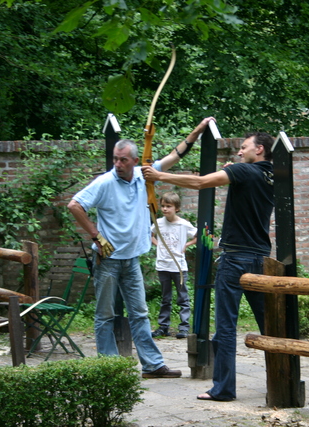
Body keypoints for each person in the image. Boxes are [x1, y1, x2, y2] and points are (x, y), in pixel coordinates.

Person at [67, 117, 215, 379]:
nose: (118, 164)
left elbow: (174, 157)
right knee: (105, 315)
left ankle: (152, 365)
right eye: (115, 159)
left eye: (123, 160)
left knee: (139, 313)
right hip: (108, 259)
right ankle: (108, 367)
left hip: (131, 259)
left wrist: (198, 130)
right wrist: (95, 235)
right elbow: (75, 205)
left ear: (135, 161)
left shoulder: (143, 177)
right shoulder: (104, 182)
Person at [142, 129, 274, 401]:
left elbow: (201, 182)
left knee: (225, 327)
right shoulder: (272, 176)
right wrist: (234, 172)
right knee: (270, 324)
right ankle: (282, 380)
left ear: (259, 149)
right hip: (261, 259)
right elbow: (244, 185)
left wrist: (159, 176)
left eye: (244, 146)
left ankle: (224, 389)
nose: (239, 151)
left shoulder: (243, 171)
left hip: (236, 259)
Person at [151, 191, 197, 339]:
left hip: (179, 267)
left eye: (168, 206)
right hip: (163, 266)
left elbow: (198, 236)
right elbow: (150, 234)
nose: (165, 209)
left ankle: (184, 327)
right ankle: (163, 326)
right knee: (165, 298)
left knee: (183, 298)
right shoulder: (158, 223)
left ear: (176, 208)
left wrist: (186, 245)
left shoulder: (184, 224)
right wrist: (157, 244)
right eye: (163, 206)